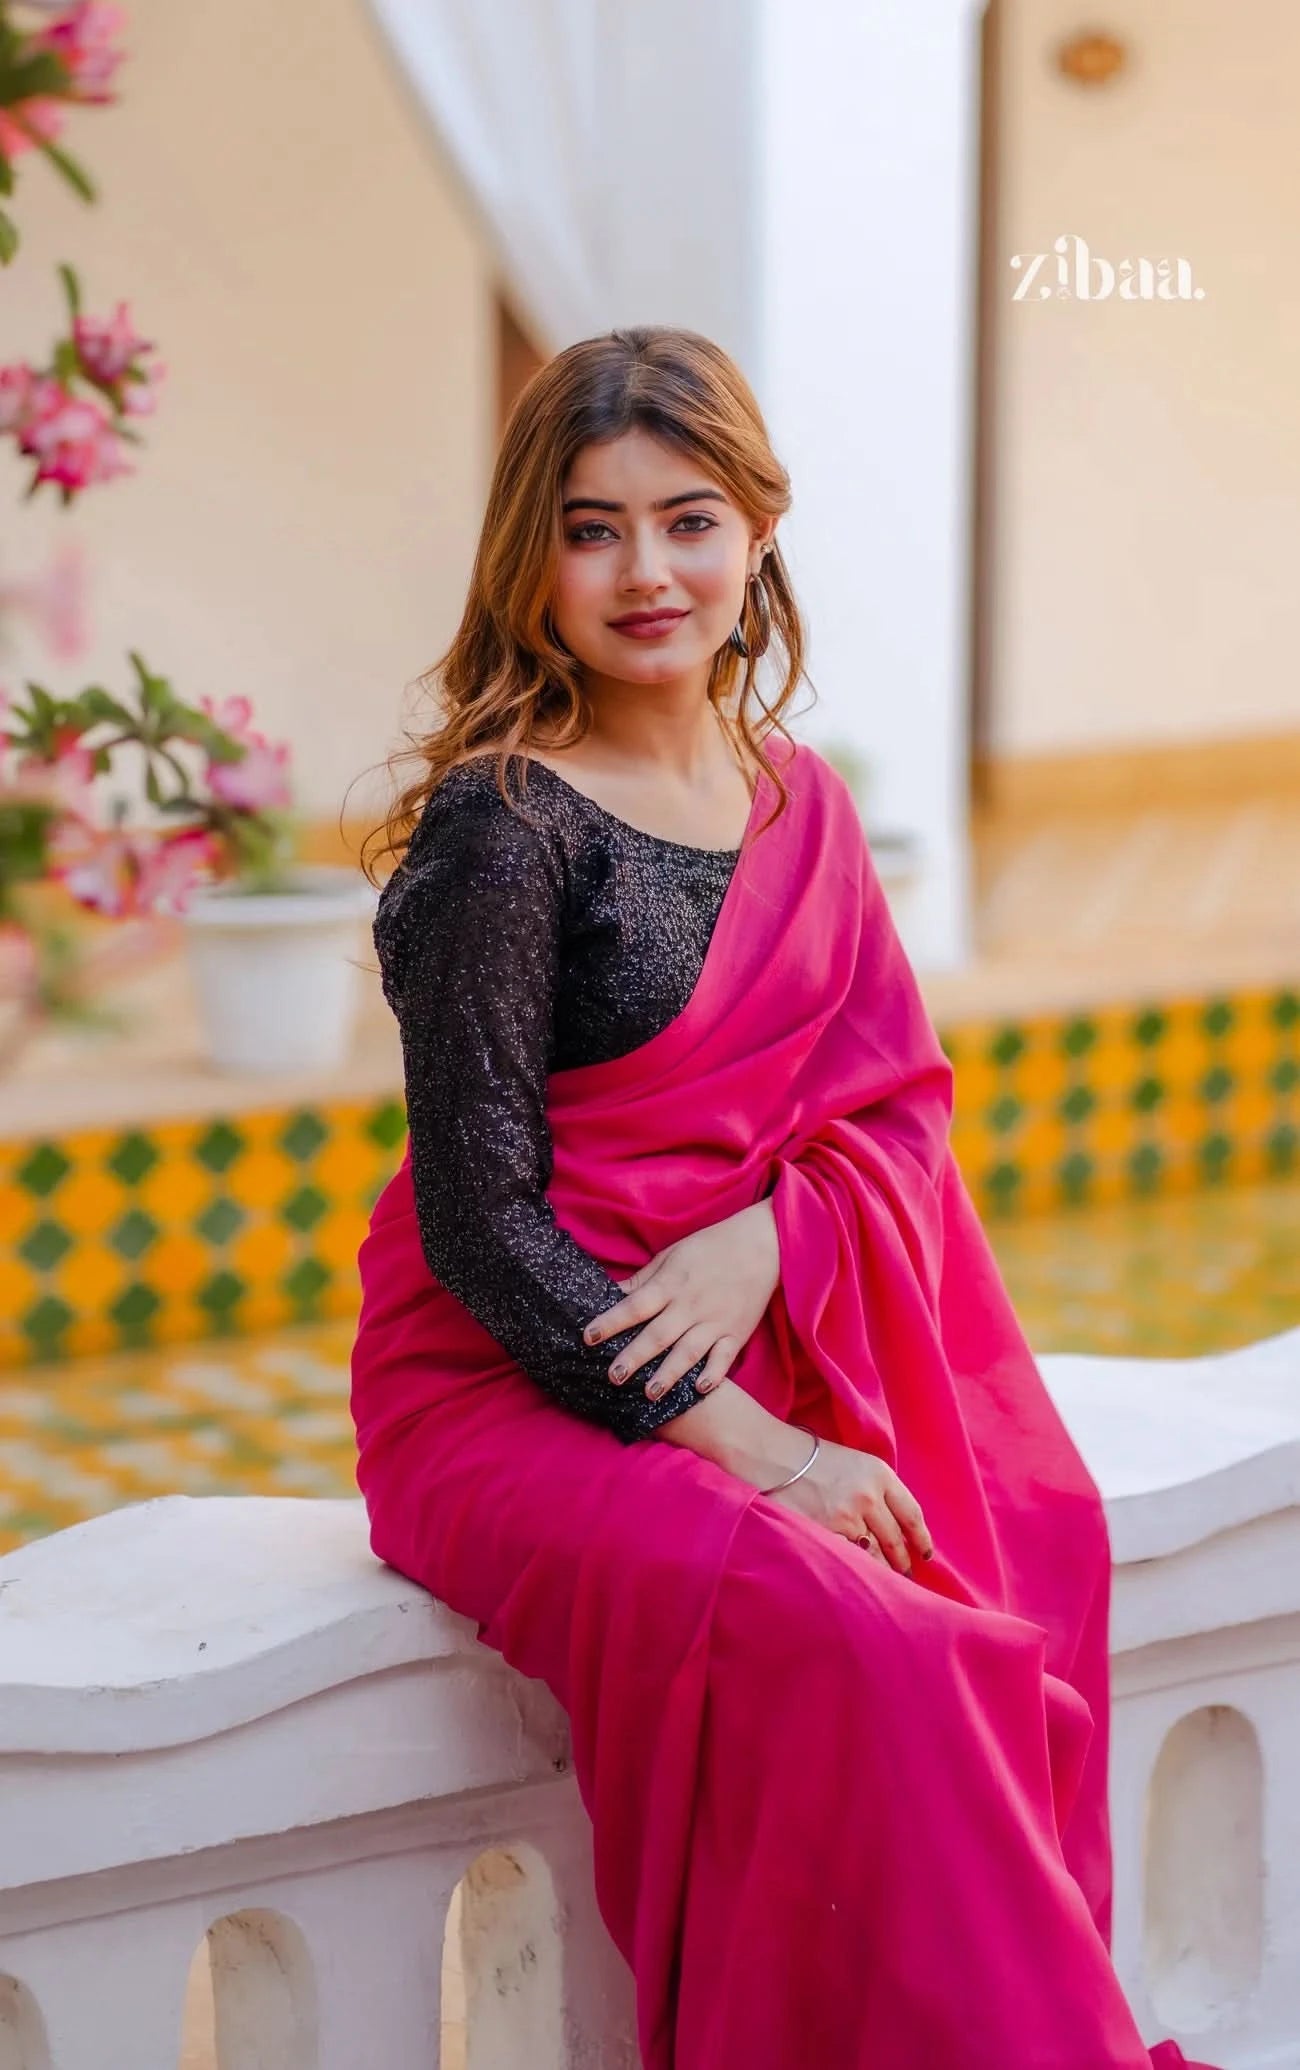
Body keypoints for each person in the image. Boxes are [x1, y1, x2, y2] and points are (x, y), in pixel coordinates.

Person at [350, 325, 1221, 2069]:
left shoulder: (792, 801)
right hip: (524, 1378)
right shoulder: (505, 831)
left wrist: (770, 1236)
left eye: (688, 519)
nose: (646, 572)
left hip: (730, 1315)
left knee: (1034, 1532)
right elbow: (481, 1226)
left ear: (757, 528)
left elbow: (894, 1105)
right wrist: (765, 1449)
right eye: (591, 528)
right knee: (863, 1643)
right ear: (530, 556)